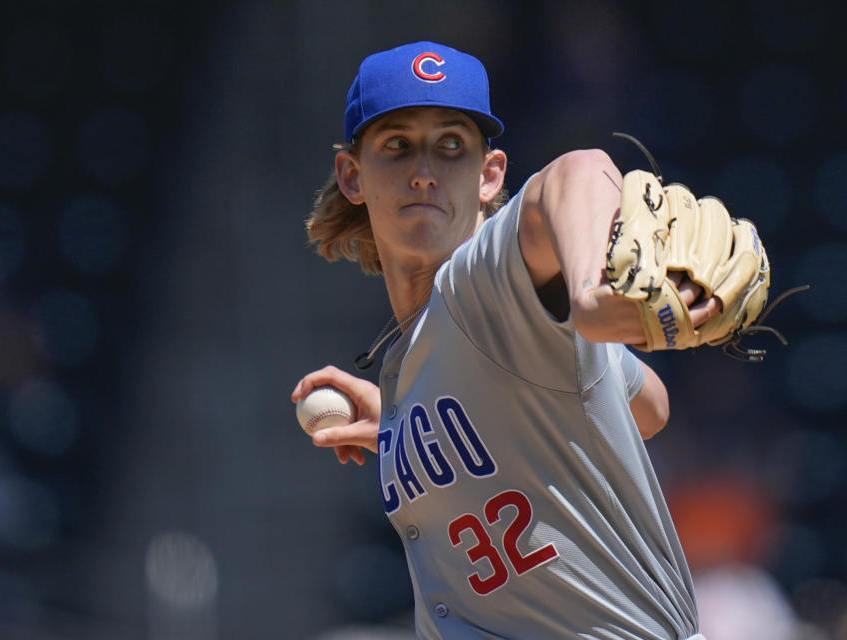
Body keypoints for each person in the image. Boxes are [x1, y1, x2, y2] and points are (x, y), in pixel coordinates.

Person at [292, 41, 720, 640]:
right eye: (397, 146)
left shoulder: (481, 284)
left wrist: (589, 291)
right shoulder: (429, 351)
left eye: (451, 147)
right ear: (351, 175)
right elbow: (649, 407)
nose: (424, 170)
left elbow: (581, 168)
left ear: (491, 176)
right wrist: (412, 419)